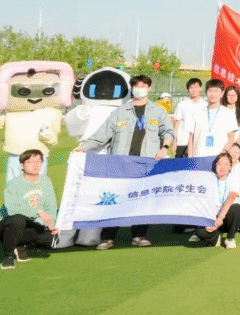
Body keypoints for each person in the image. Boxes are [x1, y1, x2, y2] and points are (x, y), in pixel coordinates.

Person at [74, 74, 175, 249]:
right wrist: (83, 147)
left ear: (149, 89)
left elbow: (168, 132)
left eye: (143, 86)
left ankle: (139, 235)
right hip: (121, 164)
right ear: (132, 89)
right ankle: (107, 238)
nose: (139, 89)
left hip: (145, 163)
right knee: (116, 199)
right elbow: (101, 135)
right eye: (136, 86)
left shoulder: (158, 112)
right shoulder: (120, 112)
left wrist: (165, 147)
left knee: (142, 199)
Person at [0, 149, 58, 269]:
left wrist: (50, 224)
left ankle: (20, 245)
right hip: (7, 226)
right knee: (18, 220)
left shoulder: (46, 181)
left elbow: (51, 207)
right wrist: (39, 211)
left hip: (29, 225)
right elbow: (13, 210)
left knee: (53, 239)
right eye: (30, 162)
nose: (35, 165)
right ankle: (8, 256)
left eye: (38, 161)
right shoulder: (13, 184)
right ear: (22, 166)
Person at [190, 152, 240, 248]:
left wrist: (220, 217)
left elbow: (232, 196)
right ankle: (215, 238)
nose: (222, 167)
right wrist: (209, 222)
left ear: (230, 167)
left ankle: (230, 238)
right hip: (212, 215)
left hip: (226, 216)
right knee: (201, 231)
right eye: (219, 164)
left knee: (237, 208)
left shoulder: (236, 178)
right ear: (215, 165)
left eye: (226, 164)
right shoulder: (208, 179)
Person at [187, 79, 239, 159]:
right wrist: (190, 156)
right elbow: (191, 137)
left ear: (222, 93)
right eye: (210, 91)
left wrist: (224, 152)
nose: (213, 94)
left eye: (216, 91)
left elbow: (231, 137)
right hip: (198, 156)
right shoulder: (198, 113)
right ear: (206, 93)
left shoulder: (228, 114)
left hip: (219, 158)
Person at [171, 77, 204, 158]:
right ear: (188, 90)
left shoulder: (205, 104)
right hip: (183, 141)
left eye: (196, 87)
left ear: (201, 88)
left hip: (199, 141)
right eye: (191, 87)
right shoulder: (182, 104)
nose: (193, 90)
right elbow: (177, 123)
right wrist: (174, 142)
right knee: (180, 164)